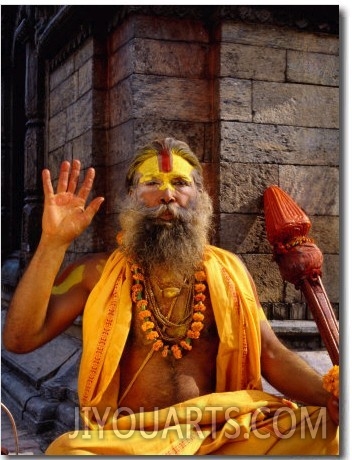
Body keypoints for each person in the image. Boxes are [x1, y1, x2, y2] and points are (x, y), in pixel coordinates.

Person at [3, 138, 338, 455]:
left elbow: (271, 354)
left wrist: (332, 394)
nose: (167, 194)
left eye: (180, 182)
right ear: (132, 195)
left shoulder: (229, 269)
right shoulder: (96, 273)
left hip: (224, 433)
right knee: (68, 451)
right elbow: (19, 338)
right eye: (152, 183)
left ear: (200, 195)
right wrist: (53, 243)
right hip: (132, 439)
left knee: (330, 430)